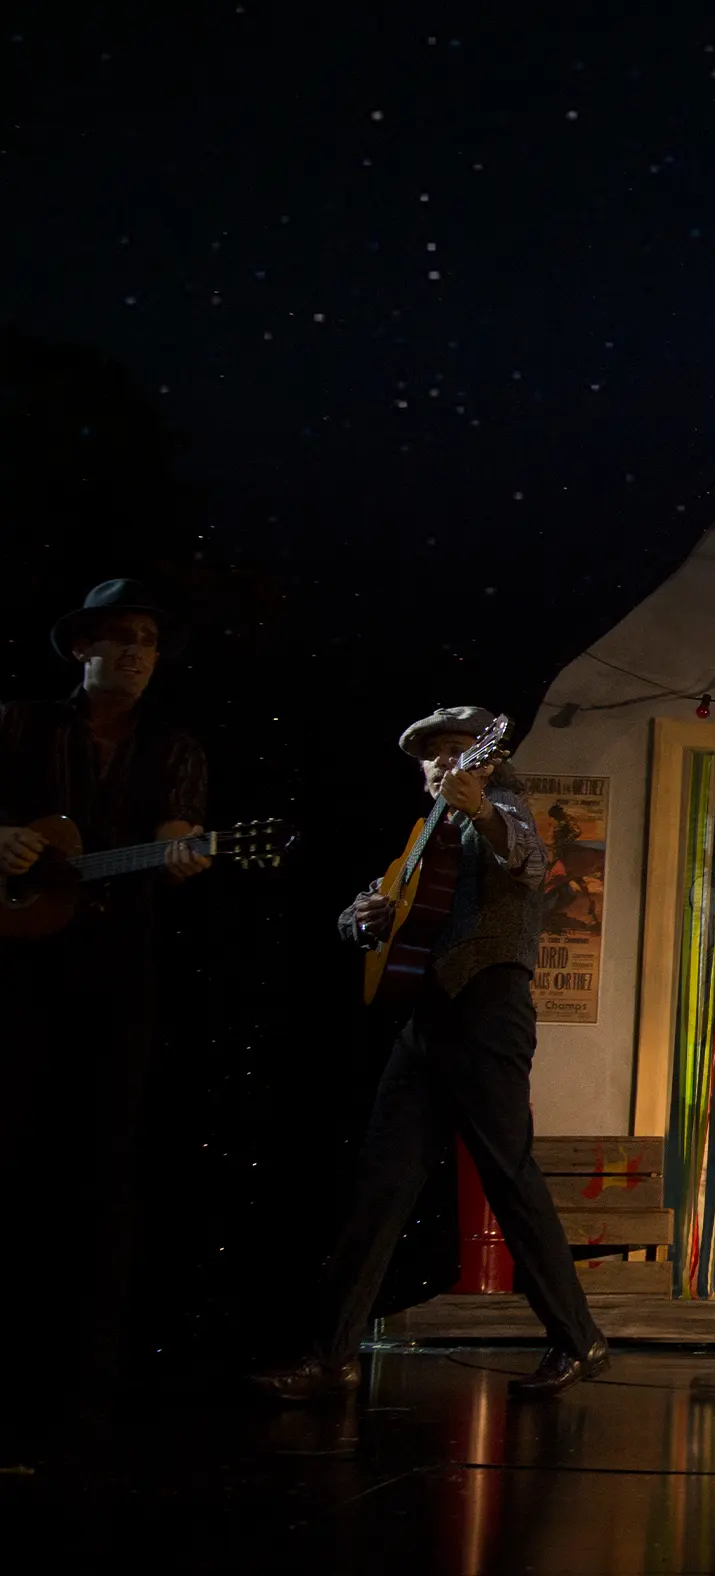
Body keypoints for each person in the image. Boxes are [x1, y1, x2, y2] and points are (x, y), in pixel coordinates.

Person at [252, 708, 610, 1402]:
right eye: (433, 756)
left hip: (486, 1008)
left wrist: (482, 808)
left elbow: (527, 859)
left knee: (508, 1174)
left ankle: (578, 1337)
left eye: (456, 751)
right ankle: (332, 1357)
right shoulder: (424, 837)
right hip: (426, 1019)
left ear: (487, 759)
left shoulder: (507, 807)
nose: (444, 763)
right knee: (381, 1187)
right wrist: (361, 918)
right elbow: (385, 908)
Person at [0, 578, 211, 1377]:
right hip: (16, 965)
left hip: (117, 968)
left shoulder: (177, 749)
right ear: (83, 646)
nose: (137, 653)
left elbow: (176, 827)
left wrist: (182, 848)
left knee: (105, 1158)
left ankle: (86, 1367)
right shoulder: (19, 725)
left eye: (150, 641)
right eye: (121, 636)